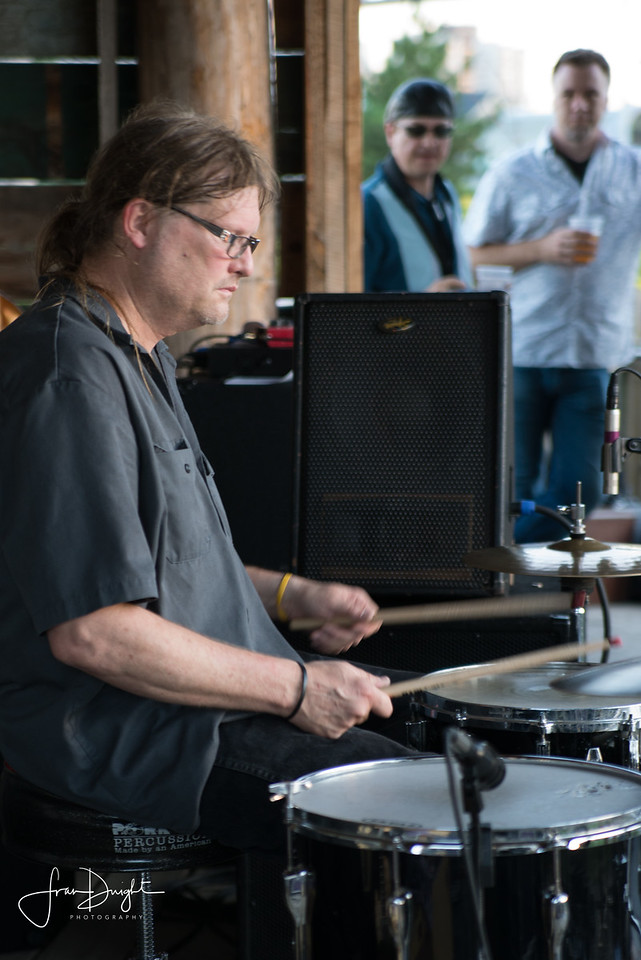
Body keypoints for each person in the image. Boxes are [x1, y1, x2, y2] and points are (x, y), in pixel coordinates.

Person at [0, 103, 418, 863]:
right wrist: (297, 689)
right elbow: (93, 630)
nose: (246, 265)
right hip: (128, 732)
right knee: (417, 804)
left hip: (189, 707)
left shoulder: (140, 351)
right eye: (230, 237)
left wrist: (294, 595)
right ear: (139, 222)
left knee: (447, 721)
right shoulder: (68, 376)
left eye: (249, 242)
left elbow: (164, 563)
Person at [464, 49, 641, 543]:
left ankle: (519, 570)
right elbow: (473, 255)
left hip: (592, 357)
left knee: (580, 494)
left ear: (606, 99)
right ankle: (520, 582)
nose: (580, 104)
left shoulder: (632, 170)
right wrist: (541, 249)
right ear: (554, 97)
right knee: (514, 488)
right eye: (569, 93)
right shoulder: (511, 171)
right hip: (522, 352)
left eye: (591, 94)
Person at [362, 77, 474, 293]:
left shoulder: (446, 194)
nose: (429, 142)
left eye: (441, 131)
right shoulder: (368, 205)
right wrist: (423, 304)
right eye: (416, 130)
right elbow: (347, 302)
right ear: (390, 133)